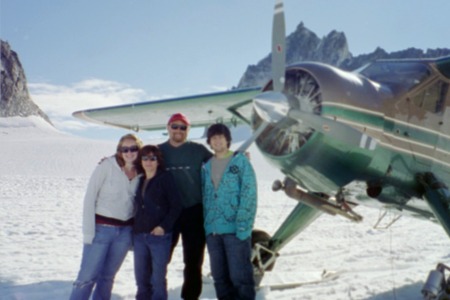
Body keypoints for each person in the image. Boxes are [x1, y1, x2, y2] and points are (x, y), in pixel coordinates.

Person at [69, 134, 143, 300]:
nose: (129, 152)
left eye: (134, 149)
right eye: (125, 149)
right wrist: (88, 233)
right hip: (101, 231)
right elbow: (90, 198)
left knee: (107, 277)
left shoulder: (142, 171)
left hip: (124, 233)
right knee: (86, 277)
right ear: (119, 151)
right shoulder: (106, 166)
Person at [158, 113, 213, 300]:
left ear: (188, 130)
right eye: (175, 126)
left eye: (183, 127)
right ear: (168, 127)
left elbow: (219, 164)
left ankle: (190, 297)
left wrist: (237, 158)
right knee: (160, 260)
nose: (178, 130)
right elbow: (134, 163)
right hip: (168, 213)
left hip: (194, 211)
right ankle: (157, 295)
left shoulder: (198, 150)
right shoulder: (158, 151)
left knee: (193, 261)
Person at [202, 123, 258, 300]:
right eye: (214, 137)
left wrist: (243, 226)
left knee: (240, 277)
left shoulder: (240, 162)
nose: (217, 140)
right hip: (213, 231)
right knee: (220, 278)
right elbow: (205, 196)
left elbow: (249, 194)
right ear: (209, 142)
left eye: (221, 137)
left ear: (228, 139)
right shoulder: (206, 167)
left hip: (235, 230)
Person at [133, 145, 182, 300]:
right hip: (140, 236)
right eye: (145, 158)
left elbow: (176, 205)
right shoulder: (140, 180)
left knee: (157, 279)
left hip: (159, 237)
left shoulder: (165, 178)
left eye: (152, 158)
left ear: (158, 161)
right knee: (141, 278)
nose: (149, 162)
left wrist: (163, 227)